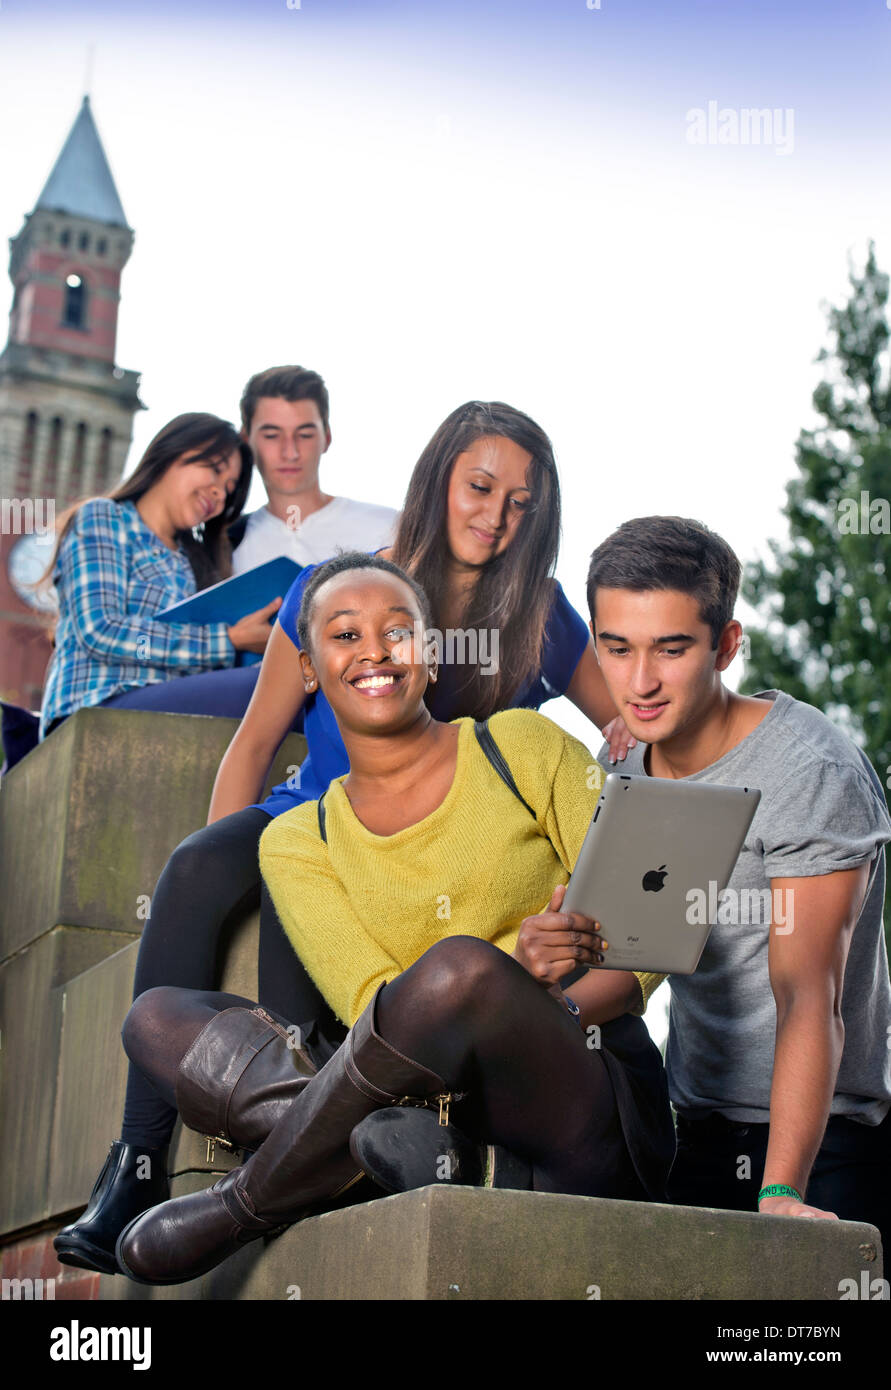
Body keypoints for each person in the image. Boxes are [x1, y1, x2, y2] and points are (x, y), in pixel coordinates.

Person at [54, 400, 633, 1275]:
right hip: (315, 809)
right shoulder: (341, 584)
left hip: (442, 839)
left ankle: (285, 1163)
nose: (495, 514)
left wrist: (640, 733)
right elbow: (254, 740)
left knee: (332, 921)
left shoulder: (539, 615)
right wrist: (250, 849)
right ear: (439, 480)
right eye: (480, 487)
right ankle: (137, 1165)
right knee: (202, 870)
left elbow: (623, 721)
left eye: (522, 503)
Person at [112, 552, 674, 1286]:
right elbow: (373, 1005)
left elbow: (650, 934)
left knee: (460, 967)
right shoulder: (297, 840)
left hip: (575, 1090)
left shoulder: (522, 746)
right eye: (344, 635)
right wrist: (510, 965)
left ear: (429, 654)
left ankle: (248, 1201)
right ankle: (409, 1152)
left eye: (396, 631)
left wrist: (529, 992)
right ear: (309, 669)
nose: (374, 651)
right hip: (418, 1095)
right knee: (154, 1019)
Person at [583, 514, 891, 1246]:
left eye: (671, 649)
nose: (640, 681)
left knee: (797, 1353)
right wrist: (541, 979)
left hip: (826, 1141)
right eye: (616, 648)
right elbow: (636, 964)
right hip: (698, 1125)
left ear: (725, 645)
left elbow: (805, 994)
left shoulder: (806, 771)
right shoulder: (627, 771)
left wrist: (780, 1189)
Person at [37, 413, 285, 742]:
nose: (220, 493)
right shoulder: (104, 518)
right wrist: (229, 640)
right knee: (269, 692)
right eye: (214, 469)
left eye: (228, 488)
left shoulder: (195, 562)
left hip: (166, 706)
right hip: (95, 703)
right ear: (170, 453)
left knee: (291, 685)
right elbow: (100, 631)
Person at [228, 365, 399, 573]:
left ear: (326, 438)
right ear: (246, 441)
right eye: (272, 436)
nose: (290, 452)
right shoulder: (227, 546)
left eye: (305, 434)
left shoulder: (389, 527)